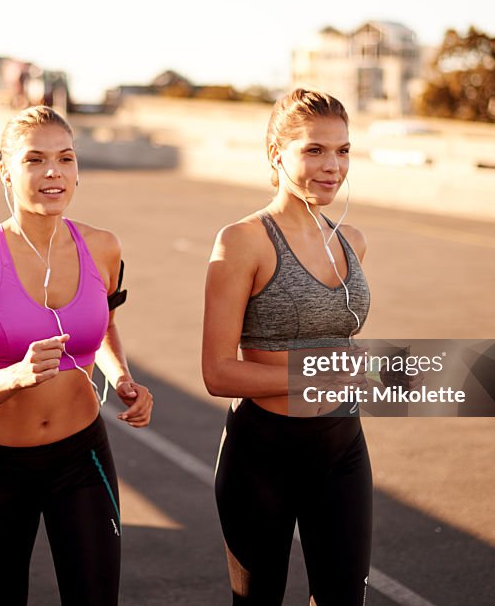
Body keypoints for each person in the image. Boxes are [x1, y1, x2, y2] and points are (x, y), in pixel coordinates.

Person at [0, 106, 153, 605]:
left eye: (66, 158)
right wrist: (15, 376)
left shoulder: (103, 247)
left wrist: (122, 378)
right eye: (35, 159)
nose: (53, 171)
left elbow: (104, 330)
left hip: (83, 457)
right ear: (7, 172)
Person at [202, 89, 373, 605]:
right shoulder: (243, 241)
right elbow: (218, 372)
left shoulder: (352, 241)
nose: (333, 165)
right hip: (263, 454)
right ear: (278, 154)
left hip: (343, 446)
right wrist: (313, 377)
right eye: (315, 150)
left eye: (343, 150)